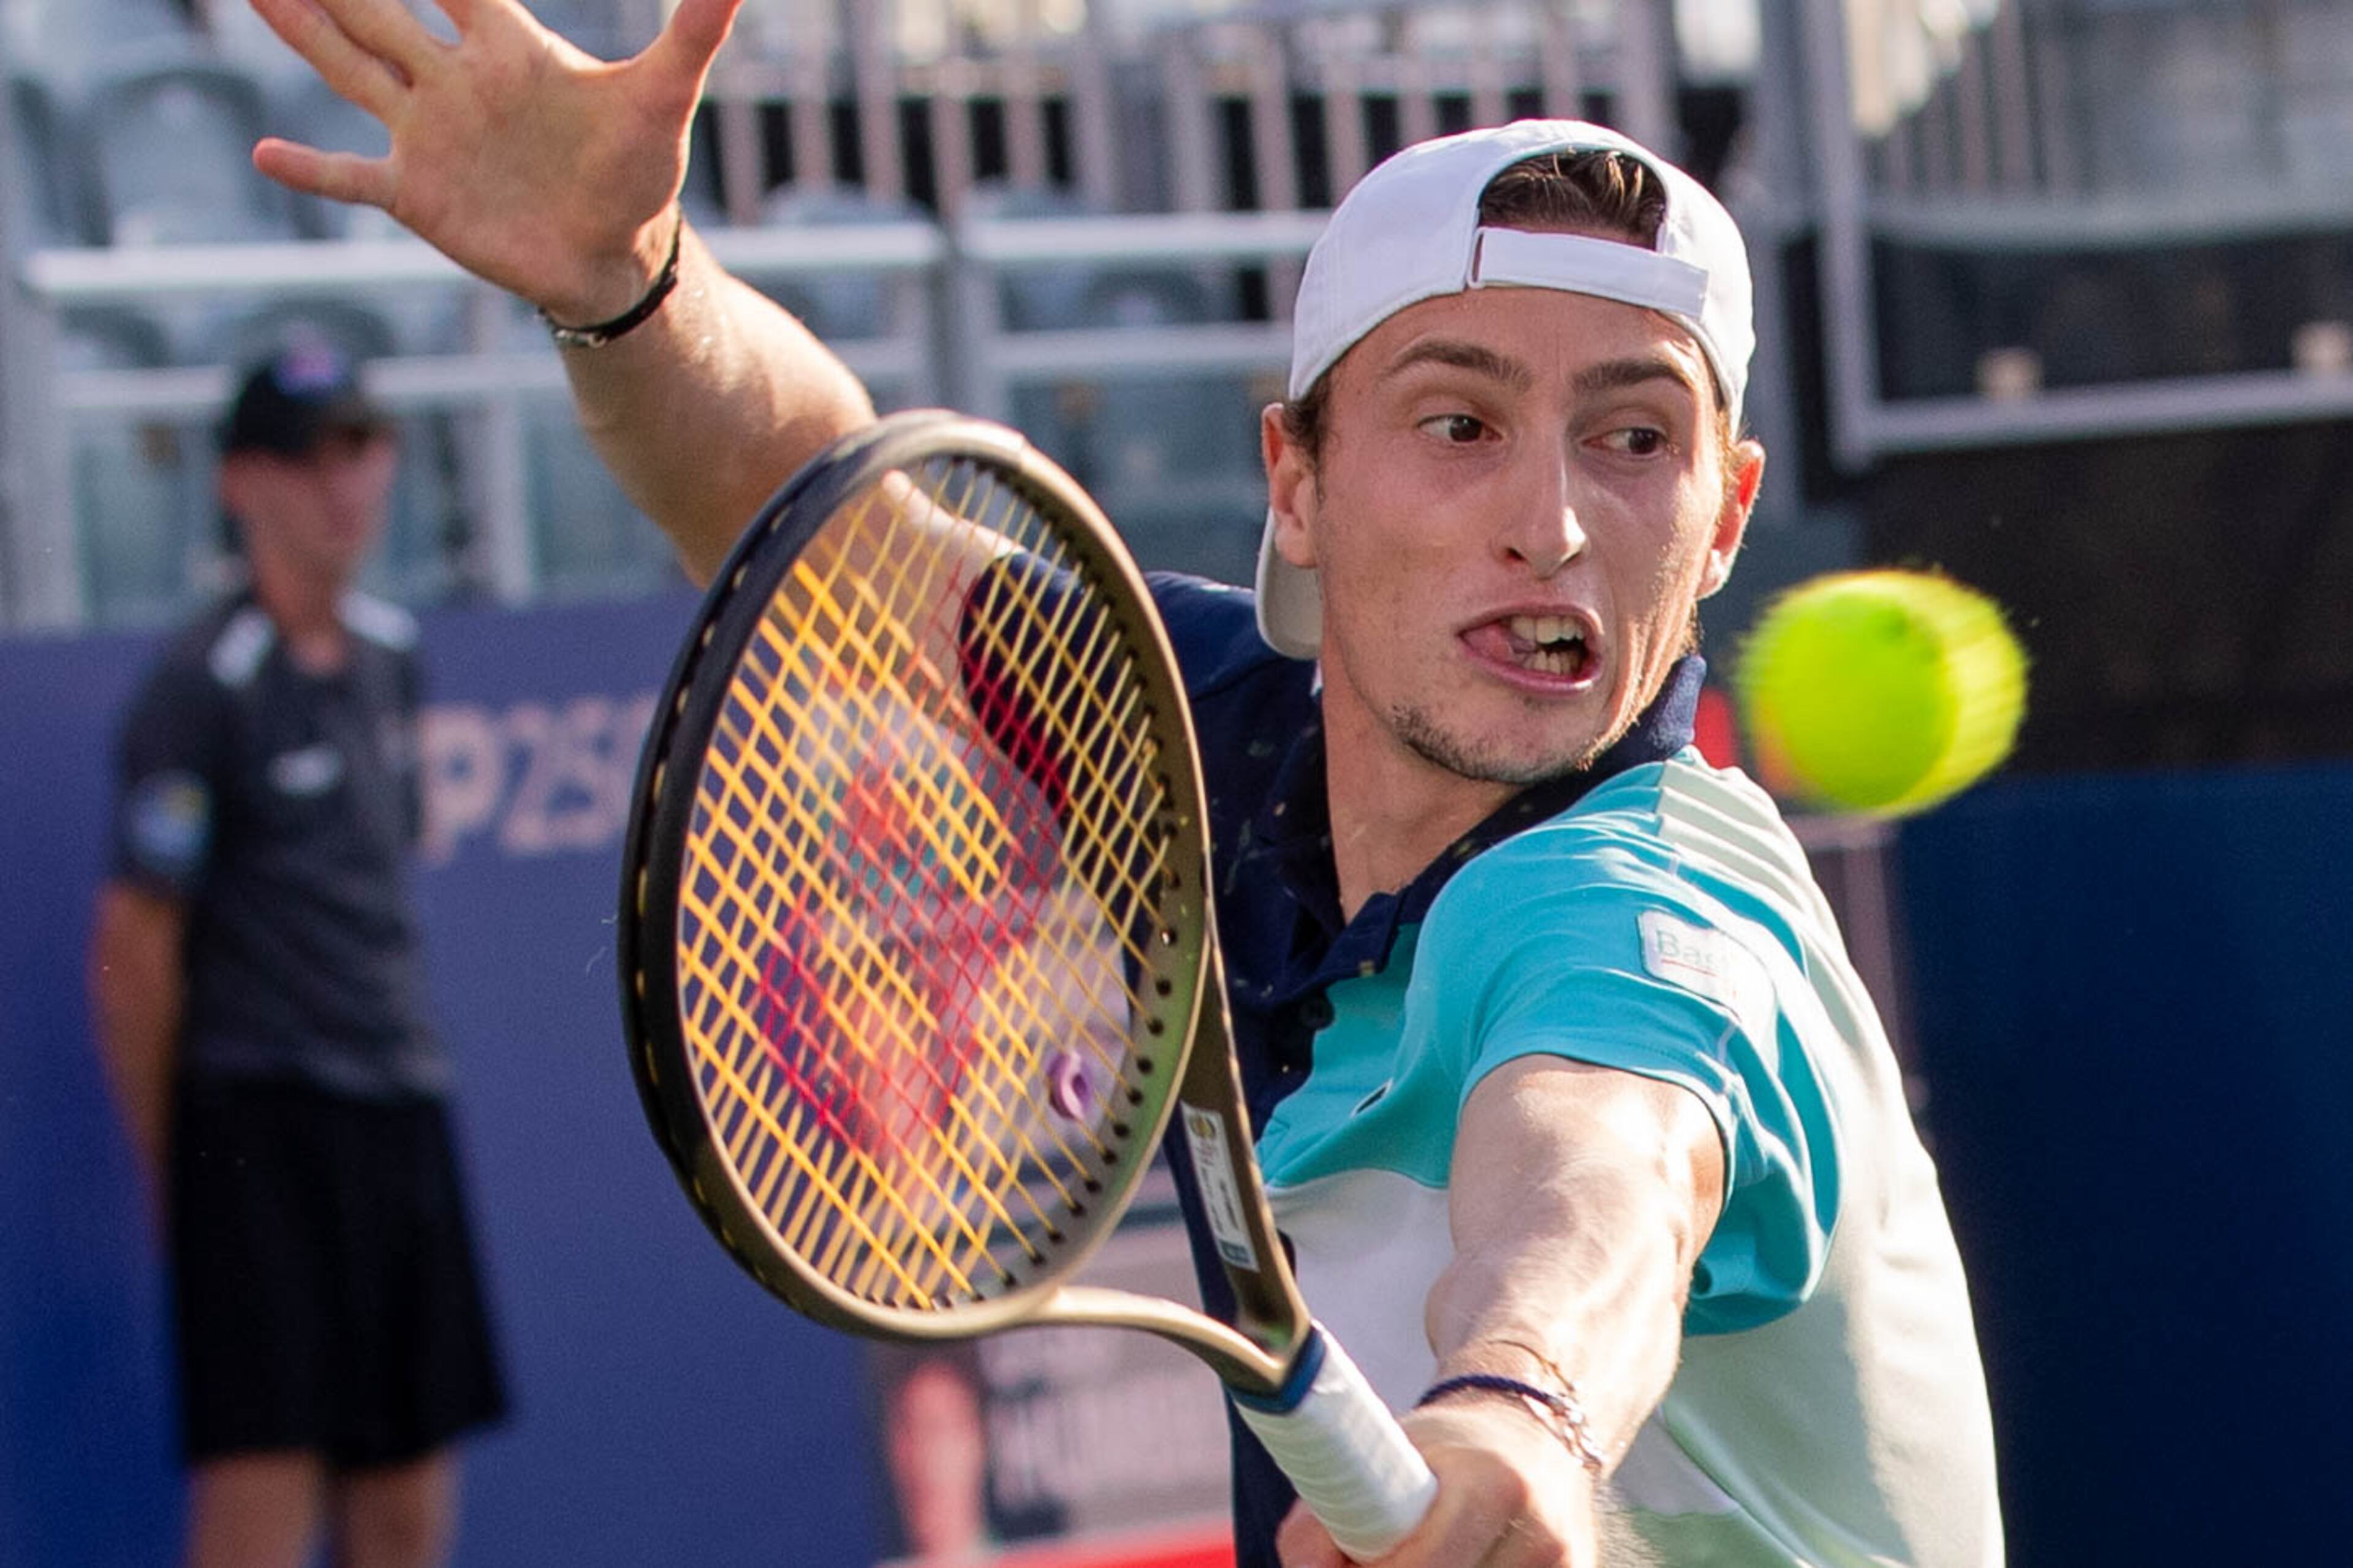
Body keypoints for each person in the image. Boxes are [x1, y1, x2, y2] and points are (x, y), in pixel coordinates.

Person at [238, 1, 2003, 1562]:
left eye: (1633, 440)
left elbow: (1608, 1156)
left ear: (1725, 521)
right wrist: (633, 285)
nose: (1548, 523)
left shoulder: (1655, 906)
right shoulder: (1209, 744)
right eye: (1458, 425)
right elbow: (826, 516)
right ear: (1296, 482)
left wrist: (1526, 1411)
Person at [87, 341, 509, 1568]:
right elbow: (134, 943)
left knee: (405, 1502)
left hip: (402, 1111)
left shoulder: (393, 656)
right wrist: (181, 1167)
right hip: (257, 1134)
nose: (351, 484)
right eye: (316, 455)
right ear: (243, 484)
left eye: (365, 448)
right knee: (260, 1500)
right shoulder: (196, 688)